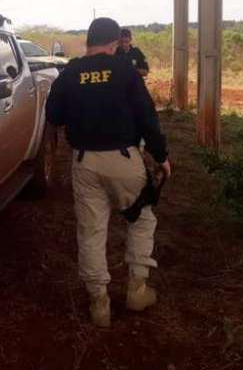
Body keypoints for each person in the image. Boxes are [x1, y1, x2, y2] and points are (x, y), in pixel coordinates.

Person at [45, 17, 170, 327]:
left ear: (88, 42)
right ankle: (137, 290)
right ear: (115, 43)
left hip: (85, 162)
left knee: (91, 230)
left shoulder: (70, 72)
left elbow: (53, 115)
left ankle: (99, 301)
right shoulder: (125, 70)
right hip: (124, 159)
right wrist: (161, 155)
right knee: (141, 219)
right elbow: (147, 117)